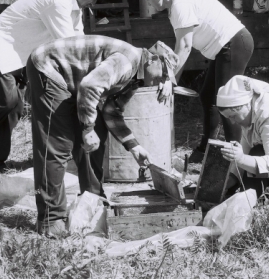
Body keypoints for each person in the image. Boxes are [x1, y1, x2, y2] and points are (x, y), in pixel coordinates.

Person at [27, 35, 178, 237]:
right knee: (57, 144)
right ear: (152, 60)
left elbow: (111, 111)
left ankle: (93, 200)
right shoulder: (128, 61)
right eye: (164, 74)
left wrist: (134, 146)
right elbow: (89, 86)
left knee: (95, 137)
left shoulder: (136, 79)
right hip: (49, 66)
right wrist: (87, 129)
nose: (163, 80)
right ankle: (50, 219)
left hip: (75, 81)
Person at [0, 0, 105, 173]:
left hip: (21, 51)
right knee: (5, 103)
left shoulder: (75, 6)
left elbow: (79, 41)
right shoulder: (58, 1)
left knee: (15, 108)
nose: (94, 3)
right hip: (1, 47)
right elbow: (67, 47)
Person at [140, 0, 254, 162]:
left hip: (234, 43)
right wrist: (173, 78)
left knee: (226, 101)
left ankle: (237, 157)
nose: (149, 4)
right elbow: (181, 52)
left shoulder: (179, 4)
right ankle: (206, 151)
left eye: (150, 0)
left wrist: (169, 79)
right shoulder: (176, 3)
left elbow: (184, 46)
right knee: (208, 96)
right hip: (224, 48)